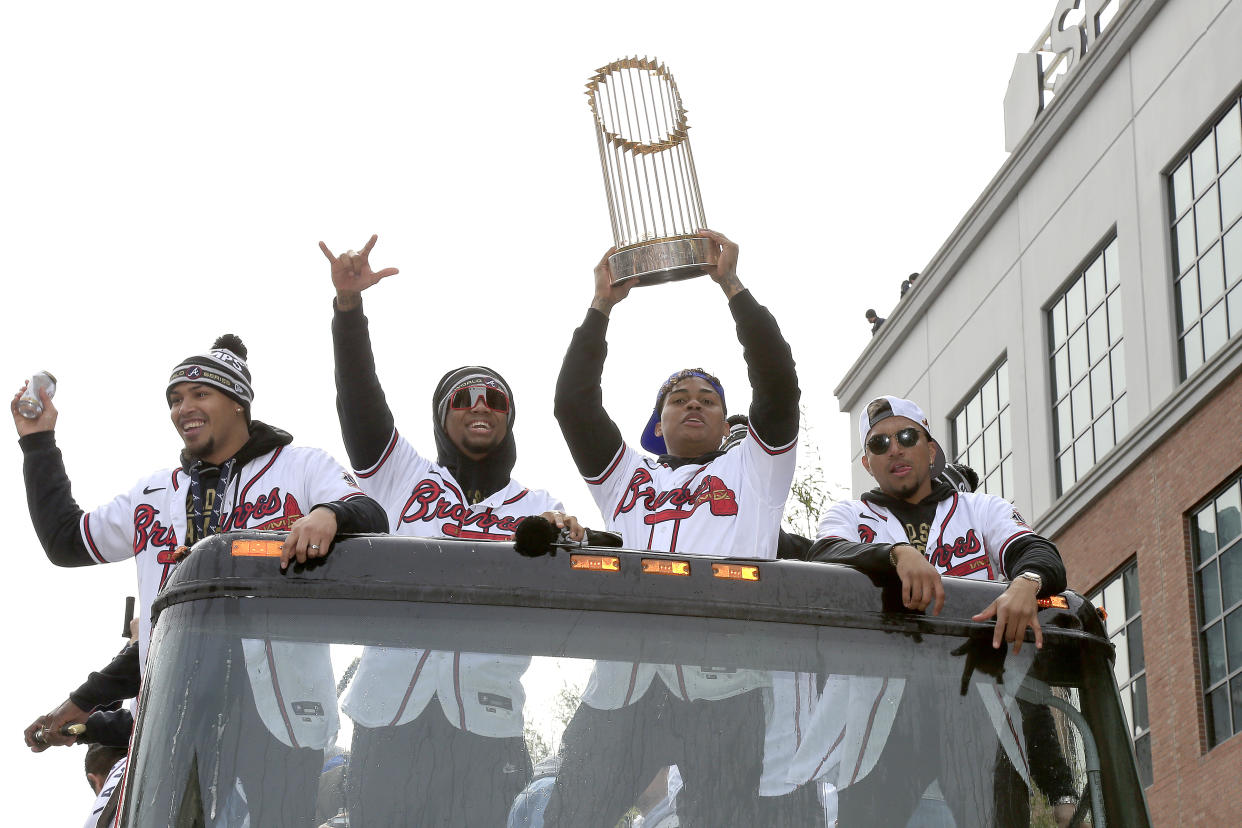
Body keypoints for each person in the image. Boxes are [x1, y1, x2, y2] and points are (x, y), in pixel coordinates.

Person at [14, 334, 389, 826]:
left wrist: (329, 513)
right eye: (174, 399)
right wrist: (37, 441)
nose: (182, 407)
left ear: (237, 402)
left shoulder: (300, 466)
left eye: (199, 394)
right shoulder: (154, 492)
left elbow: (371, 513)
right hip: (177, 714)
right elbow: (66, 541)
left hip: (280, 720)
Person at [321, 234, 578, 826]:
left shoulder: (536, 502)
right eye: (463, 398)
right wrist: (348, 312)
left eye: (495, 398)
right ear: (443, 416)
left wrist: (568, 535)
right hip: (388, 716)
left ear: (510, 418)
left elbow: (564, 575)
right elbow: (359, 405)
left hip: (489, 725)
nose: (479, 405)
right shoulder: (404, 476)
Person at [548, 229, 802, 827]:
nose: (694, 404)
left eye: (709, 398)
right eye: (679, 398)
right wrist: (601, 308)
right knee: (569, 817)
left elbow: (779, 382)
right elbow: (573, 405)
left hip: (728, 684)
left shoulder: (756, 467)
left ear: (724, 419)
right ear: (658, 424)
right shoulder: (627, 477)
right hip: (625, 685)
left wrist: (733, 288)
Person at [790, 394, 1071, 827]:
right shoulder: (849, 515)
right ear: (867, 463)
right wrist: (896, 554)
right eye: (879, 444)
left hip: (977, 706)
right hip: (882, 721)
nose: (895, 449)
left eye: (906, 436)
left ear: (931, 449)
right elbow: (824, 553)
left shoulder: (981, 509)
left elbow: (1040, 554)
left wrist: (1026, 583)